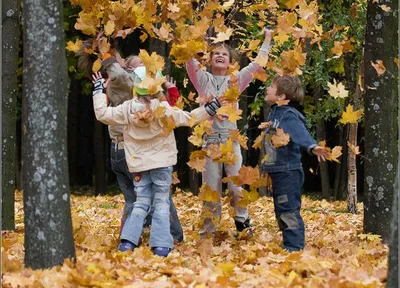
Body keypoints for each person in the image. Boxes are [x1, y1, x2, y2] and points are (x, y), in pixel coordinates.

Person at [91, 71, 221, 256]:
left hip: (138, 165)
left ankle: (127, 242)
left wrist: (98, 90)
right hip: (161, 164)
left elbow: (102, 114)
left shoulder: (127, 109)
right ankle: (160, 245)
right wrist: (209, 109)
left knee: (141, 201)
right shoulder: (163, 109)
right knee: (160, 202)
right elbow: (188, 118)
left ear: (136, 87)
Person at [78, 42, 184, 242]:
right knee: (159, 196)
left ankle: (128, 240)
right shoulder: (126, 83)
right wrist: (105, 51)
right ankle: (172, 237)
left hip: (119, 149)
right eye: (137, 67)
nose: (143, 71)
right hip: (131, 151)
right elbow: (117, 72)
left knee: (134, 200)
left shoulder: (124, 86)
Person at [185, 29, 273, 236]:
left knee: (237, 187)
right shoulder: (203, 79)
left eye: (224, 54)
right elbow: (189, 61)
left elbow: (257, 65)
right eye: (216, 53)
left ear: (231, 61)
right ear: (209, 59)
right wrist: (195, 38)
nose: (220, 55)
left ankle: (243, 225)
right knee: (211, 190)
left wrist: (267, 39)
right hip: (211, 144)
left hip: (231, 143)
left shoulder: (236, 80)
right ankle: (208, 231)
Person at [260, 75, 330, 252]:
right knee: (281, 209)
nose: (267, 88)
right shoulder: (275, 112)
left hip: (288, 172)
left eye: (272, 86)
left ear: (281, 97)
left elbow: (300, 133)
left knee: (288, 209)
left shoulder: (288, 114)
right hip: (278, 170)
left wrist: (312, 147)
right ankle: (289, 244)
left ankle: (294, 248)